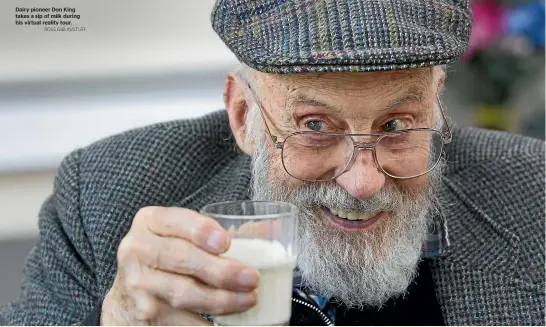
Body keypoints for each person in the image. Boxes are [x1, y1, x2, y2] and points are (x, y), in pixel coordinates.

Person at [1, 0, 544, 325]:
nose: (362, 181)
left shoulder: (534, 192)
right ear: (243, 115)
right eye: (313, 126)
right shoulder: (102, 194)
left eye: (397, 126)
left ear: (437, 102)